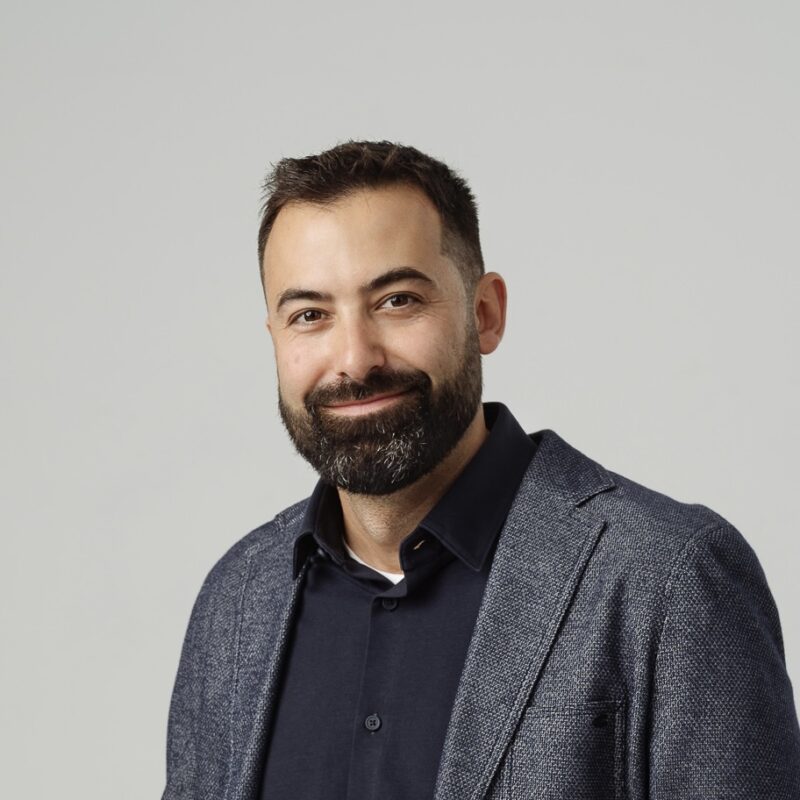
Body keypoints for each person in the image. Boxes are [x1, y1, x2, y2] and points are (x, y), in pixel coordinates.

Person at [161, 140, 800, 800]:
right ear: (274, 337)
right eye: (310, 315)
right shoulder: (235, 601)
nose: (354, 358)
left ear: (485, 313)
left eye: (397, 300)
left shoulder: (669, 579)